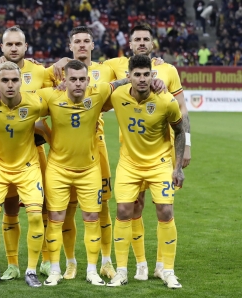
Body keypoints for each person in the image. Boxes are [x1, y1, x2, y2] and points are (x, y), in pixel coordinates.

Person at [103, 23, 191, 281]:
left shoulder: (166, 91)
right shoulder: (116, 83)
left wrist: (181, 160)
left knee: (165, 211)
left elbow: (180, 123)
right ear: (129, 44)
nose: (142, 79)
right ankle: (131, 268)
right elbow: (92, 83)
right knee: (127, 211)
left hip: (159, 161)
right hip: (129, 161)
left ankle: (166, 269)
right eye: (136, 39)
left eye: (146, 75)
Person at [0, 26, 57, 280]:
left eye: (17, 44)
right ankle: (9, 266)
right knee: (5, 210)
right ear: (1, 47)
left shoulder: (40, 73)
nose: (13, 48)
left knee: (42, 210)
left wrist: (52, 140)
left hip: (32, 155)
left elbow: (61, 100)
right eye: (8, 44)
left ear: (25, 46)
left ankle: (43, 262)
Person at [35, 60, 128, 286]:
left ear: (88, 80)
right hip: (58, 170)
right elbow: (22, 103)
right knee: (55, 219)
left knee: (92, 218)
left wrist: (154, 81)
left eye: (81, 79)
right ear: (64, 80)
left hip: (89, 171)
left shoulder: (98, 92)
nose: (77, 83)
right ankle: (56, 269)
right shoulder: (49, 96)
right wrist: (47, 135)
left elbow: (125, 81)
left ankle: (92, 270)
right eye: (72, 79)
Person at [51, 26, 118, 281]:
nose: (81, 45)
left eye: (86, 41)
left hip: (96, 145)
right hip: (66, 147)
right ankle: (70, 263)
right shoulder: (57, 70)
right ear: (70, 46)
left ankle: (106, 262)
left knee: (101, 207)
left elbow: (131, 73)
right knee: (67, 209)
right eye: (76, 41)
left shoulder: (107, 69)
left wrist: (156, 61)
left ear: (92, 44)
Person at [0, 61, 46, 288]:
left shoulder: (35, 103)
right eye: (4, 80)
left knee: (36, 216)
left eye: (14, 80)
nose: (10, 84)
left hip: (27, 168)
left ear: (21, 82)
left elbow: (62, 100)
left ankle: (31, 270)